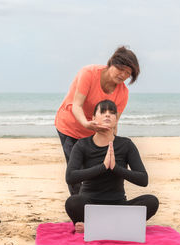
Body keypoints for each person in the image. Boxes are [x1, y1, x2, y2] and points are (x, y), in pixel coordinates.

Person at [55, 46, 140, 195]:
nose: (123, 75)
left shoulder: (123, 93)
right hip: (70, 126)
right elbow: (77, 105)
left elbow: (114, 123)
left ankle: (95, 206)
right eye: (121, 69)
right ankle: (80, 211)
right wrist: (86, 124)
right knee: (76, 171)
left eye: (128, 73)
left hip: (94, 133)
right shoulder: (89, 73)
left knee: (98, 169)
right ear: (112, 63)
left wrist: (113, 144)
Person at [64, 100, 159, 233]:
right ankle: (118, 226)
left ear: (116, 119)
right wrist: (103, 167)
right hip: (90, 205)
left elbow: (143, 179)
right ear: (93, 118)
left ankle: (96, 226)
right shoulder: (82, 145)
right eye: (103, 112)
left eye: (112, 113)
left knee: (151, 201)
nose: (107, 115)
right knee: (72, 202)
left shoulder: (126, 144)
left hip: (118, 205)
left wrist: (116, 168)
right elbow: (70, 177)